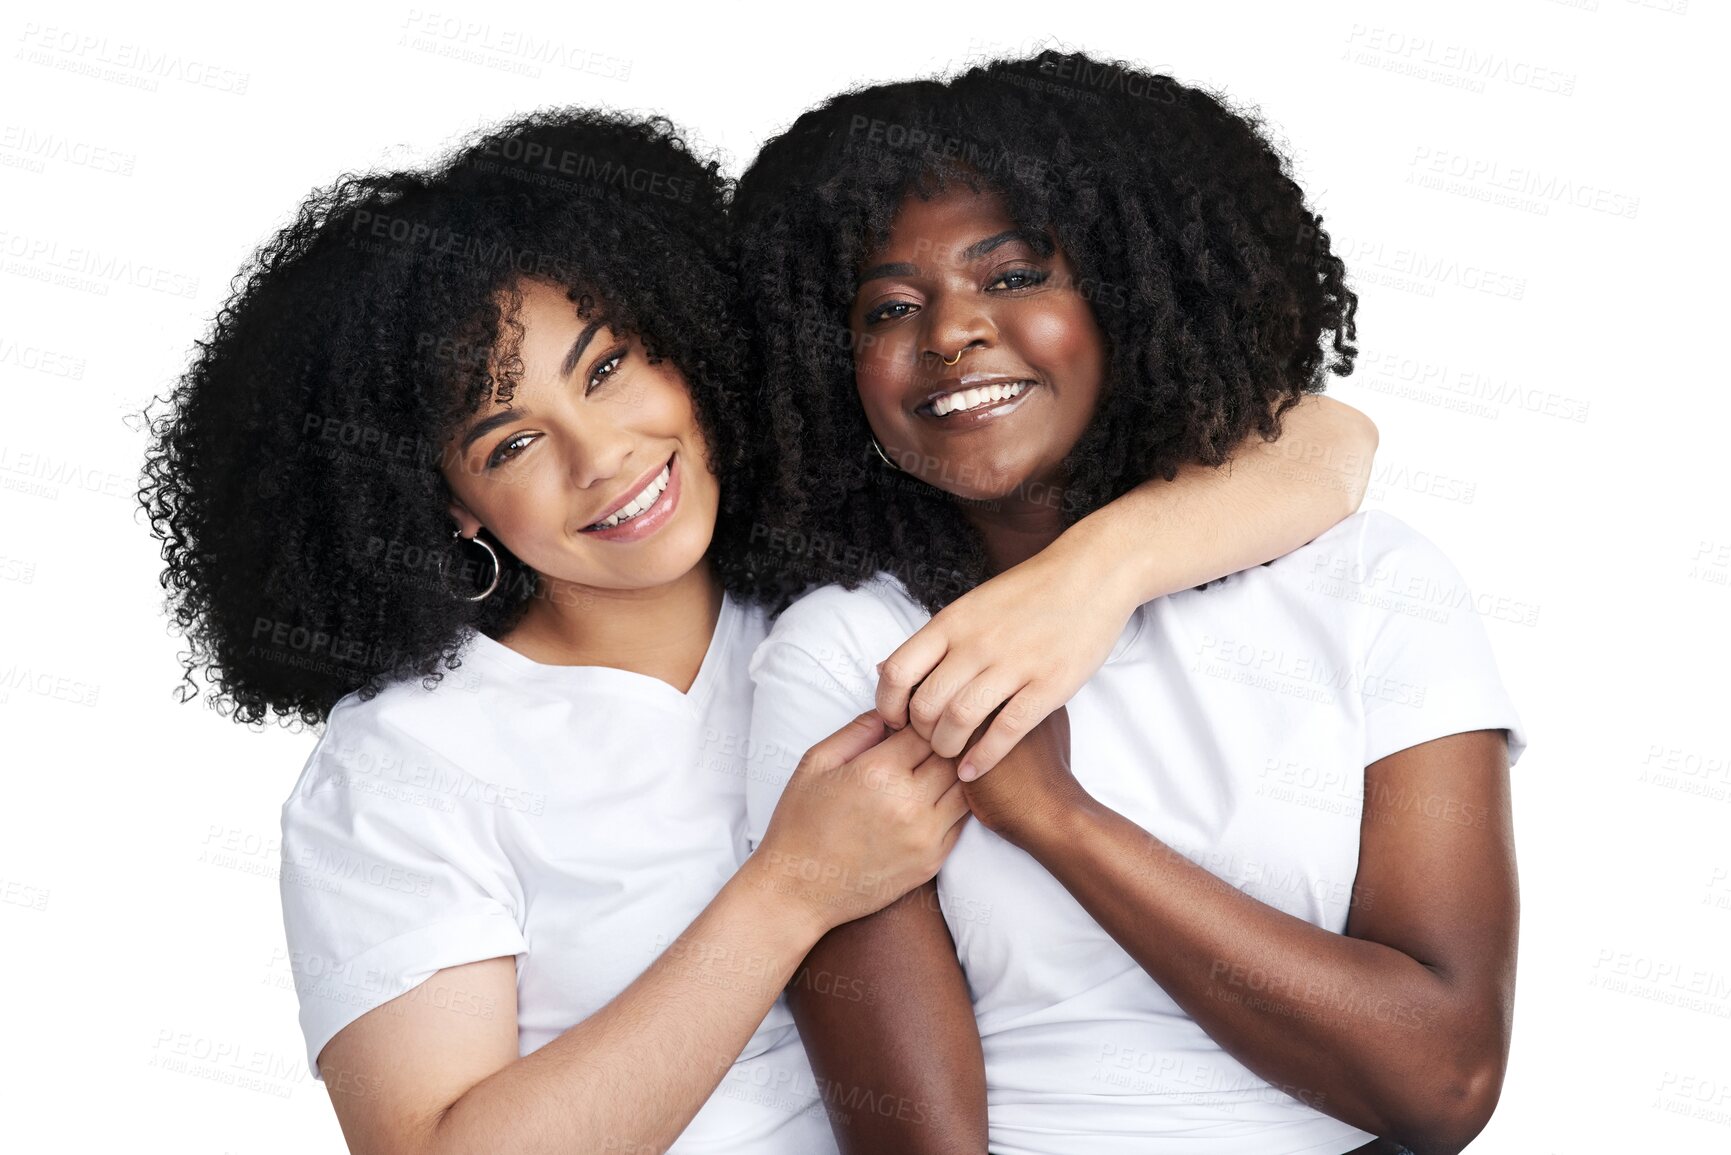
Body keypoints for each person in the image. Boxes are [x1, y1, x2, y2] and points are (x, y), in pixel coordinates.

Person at [139, 106, 1378, 1154]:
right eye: (510, 441)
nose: (603, 454)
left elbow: (1327, 446)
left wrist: (1092, 577)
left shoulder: (840, 582)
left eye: (612, 366)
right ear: (448, 503)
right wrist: (792, 888)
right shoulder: (408, 766)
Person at [735, 51, 1522, 1155]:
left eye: (1012, 276)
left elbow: (1444, 1080)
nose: (951, 331)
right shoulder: (852, 653)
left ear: (1129, 294)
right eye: (889, 307)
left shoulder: (1370, 583)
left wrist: (1061, 821)